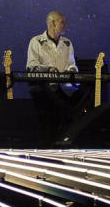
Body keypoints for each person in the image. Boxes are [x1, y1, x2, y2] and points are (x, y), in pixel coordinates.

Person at [25, 10, 87, 138]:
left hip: (65, 89)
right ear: (52, 23)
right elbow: (31, 66)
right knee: (50, 122)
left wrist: (72, 70)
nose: (65, 24)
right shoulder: (36, 41)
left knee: (82, 99)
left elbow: (71, 63)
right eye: (62, 22)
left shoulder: (67, 43)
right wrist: (48, 69)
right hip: (44, 89)